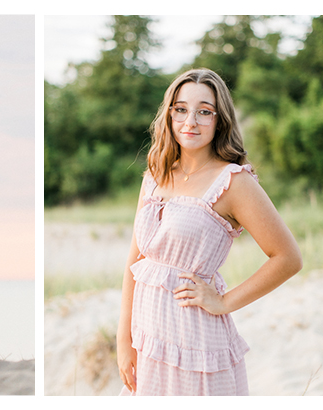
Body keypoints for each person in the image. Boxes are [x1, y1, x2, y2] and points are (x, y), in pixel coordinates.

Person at [116, 68, 302, 395]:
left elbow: (288, 258)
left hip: (196, 345)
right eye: (181, 109)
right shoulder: (156, 173)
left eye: (204, 111)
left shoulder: (234, 182)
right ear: (170, 114)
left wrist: (224, 302)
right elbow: (136, 260)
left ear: (219, 120)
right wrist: (123, 339)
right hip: (148, 339)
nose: (191, 121)